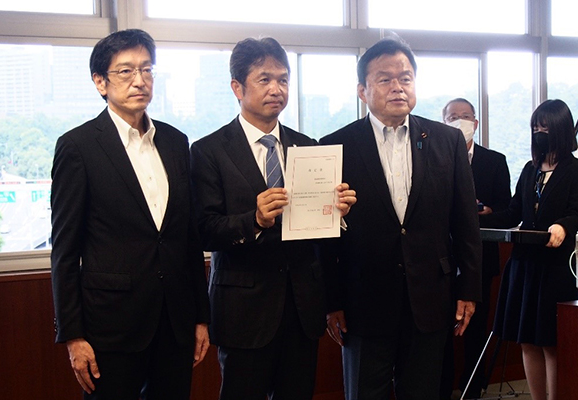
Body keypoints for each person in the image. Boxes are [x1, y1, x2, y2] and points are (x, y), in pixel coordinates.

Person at [189, 37, 356, 400]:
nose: (276, 89)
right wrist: (254, 220)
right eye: (264, 79)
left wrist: (336, 213)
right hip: (243, 311)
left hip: (302, 307)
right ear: (237, 87)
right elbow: (203, 231)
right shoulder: (208, 151)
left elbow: (319, 235)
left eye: (283, 80)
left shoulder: (308, 147)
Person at [50, 29, 211, 400]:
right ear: (100, 82)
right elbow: (65, 250)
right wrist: (73, 336)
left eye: (146, 69)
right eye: (125, 71)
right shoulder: (78, 146)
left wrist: (201, 317)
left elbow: (187, 238)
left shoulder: (175, 141)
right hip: (111, 326)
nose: (139, 80)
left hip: (175, 321)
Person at [319, 37, 482, 400]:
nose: (398, 87)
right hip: (363, 303)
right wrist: (332, 301)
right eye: (385, 79)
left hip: (431, 299)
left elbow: (465, 224)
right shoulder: (335, 146)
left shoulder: (447, 141)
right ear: (362, 90)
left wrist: (468, 289)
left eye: (405, 78)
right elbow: (326, 237)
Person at [481, 99, 578, 400]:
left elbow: (575, 212)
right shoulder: (529, 169)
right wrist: (475, 219)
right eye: (535, 128)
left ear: (561, 129)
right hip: (523, 266)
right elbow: (513, 213)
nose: (539, 134)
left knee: (551, 343)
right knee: (527, 340)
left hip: (555, 268)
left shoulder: (575, 170)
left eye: (545, 128)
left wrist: (563, 226)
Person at [440, 98, 511, 399]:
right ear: (443, 123)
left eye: (465, 116)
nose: (460, 121)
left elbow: (509, 212)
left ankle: (473, 388)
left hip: (480, 258)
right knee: (440, 331)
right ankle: (441, 389)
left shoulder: (495, 161)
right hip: (440, 260)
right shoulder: (432, 157)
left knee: (476, 328)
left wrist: (479, 216)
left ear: (476, 123)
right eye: (452, 117)